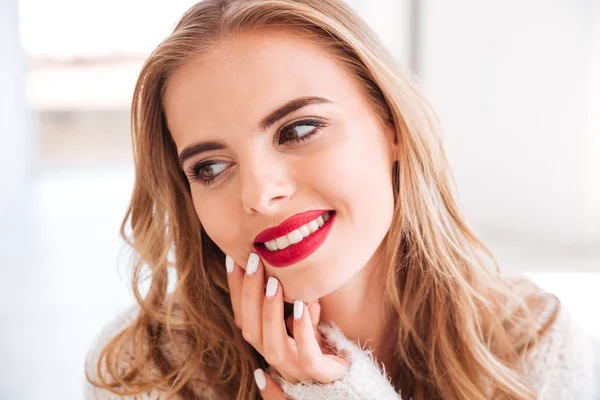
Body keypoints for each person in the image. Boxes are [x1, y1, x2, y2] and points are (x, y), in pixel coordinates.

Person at [84, 0, 600, 399]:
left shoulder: (533, 344)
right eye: (210, 167)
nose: (260, 194)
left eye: (299, 129)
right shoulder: (147, 368)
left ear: (392, 125)